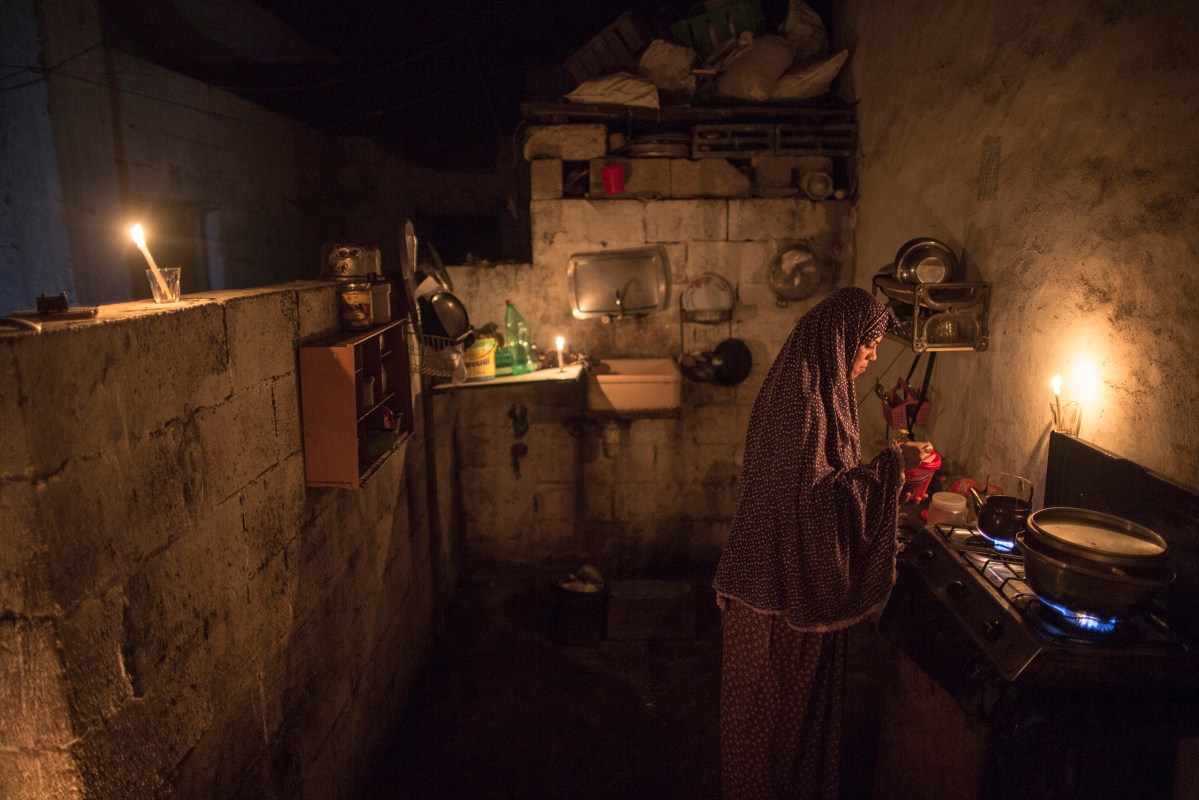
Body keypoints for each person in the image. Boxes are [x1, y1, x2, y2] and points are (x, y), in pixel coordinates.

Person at [712, 286, 932, 800]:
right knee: (774, 732)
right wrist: (891, 470)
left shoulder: (807, 384)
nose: (873, 355)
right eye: (869, 344)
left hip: (765, 585)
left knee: (772, 729)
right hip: (777, 598)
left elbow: (812, 482)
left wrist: (872, 469)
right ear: (840, 341)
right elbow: (812, 507)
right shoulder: (806, 402)